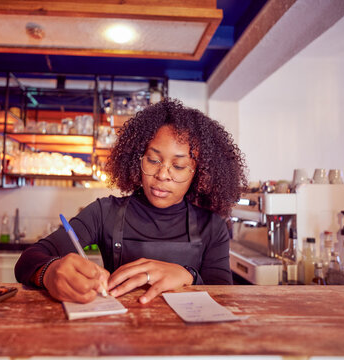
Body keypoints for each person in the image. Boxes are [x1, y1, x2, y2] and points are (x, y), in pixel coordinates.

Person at [15, 98, 247, 304]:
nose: (162, 175)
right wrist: (49, 271)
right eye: (153, 160)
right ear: (138, 159)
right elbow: (28, 260)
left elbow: (223, 294)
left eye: (178, 166)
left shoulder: (212, 226)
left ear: (200, 172)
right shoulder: (104, 212)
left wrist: (189, 275)